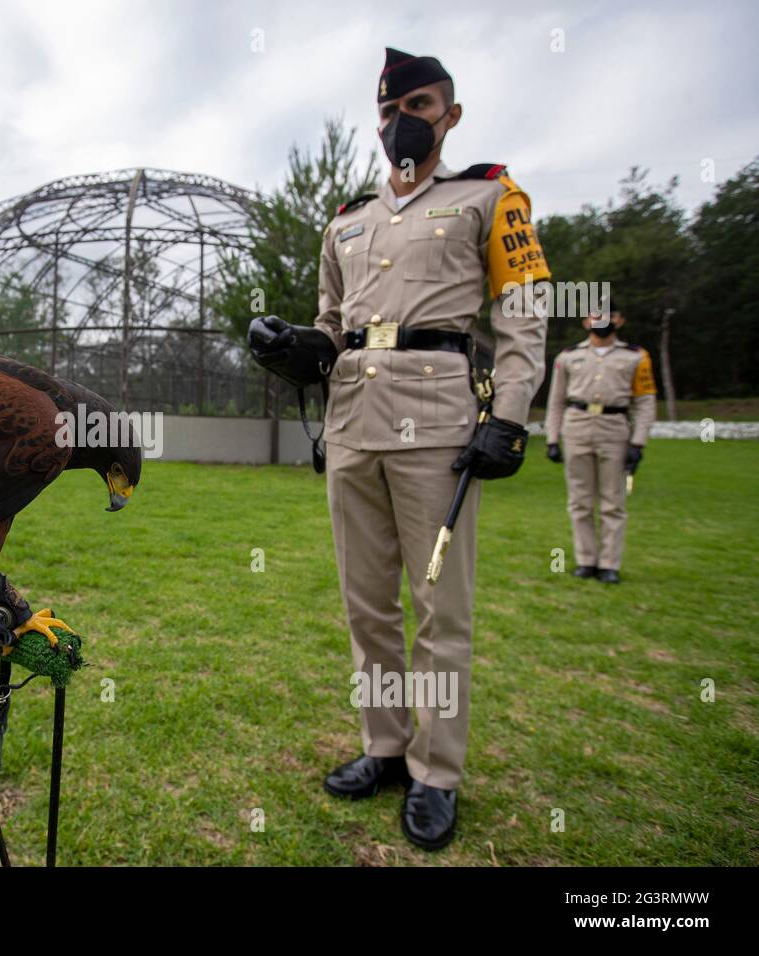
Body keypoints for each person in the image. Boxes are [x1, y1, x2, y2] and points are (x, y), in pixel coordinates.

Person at [250, 47, 550, 850]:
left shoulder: (492, 194)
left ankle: (436, 772)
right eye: (388, 111)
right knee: (367, 607)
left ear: (450, 116)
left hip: (440, 423)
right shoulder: (346, 219)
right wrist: (294, 348)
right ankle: (384, 747)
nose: (400, 122)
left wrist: (510, 415)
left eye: (418, 106)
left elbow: (522, 316)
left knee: (439, 611)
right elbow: (332, 324)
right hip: (352, 424)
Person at [544, 300, 656, 584]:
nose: (601, 320)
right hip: (577, 428)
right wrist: (552, 439)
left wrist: (638, 443)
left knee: (612, 502)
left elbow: (644, 402)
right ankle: (586, 560)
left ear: (619, 320)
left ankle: (609, 564)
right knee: (579, 501)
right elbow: (556, 401)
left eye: (609, 315)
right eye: (595, 315)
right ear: (585, 321)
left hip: (614, 430)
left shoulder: (636, 356)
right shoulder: (568, 357)